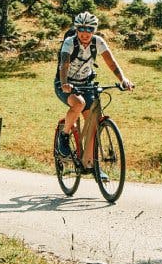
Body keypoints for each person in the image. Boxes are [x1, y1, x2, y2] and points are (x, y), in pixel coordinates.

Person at [54, 11, 133, 166]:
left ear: (94, 30)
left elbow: (111, 63)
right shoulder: (70, 42)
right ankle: (64, 136)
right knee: (79, 103)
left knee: (92, 125)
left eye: (90, 29)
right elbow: (64, 64)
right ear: (77, 29)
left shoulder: (98, 42)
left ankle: (90, 164)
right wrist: (64, 83)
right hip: (65, 84)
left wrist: (123, 79)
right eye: (82, 29)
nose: (86, 33)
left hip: (86, 84)